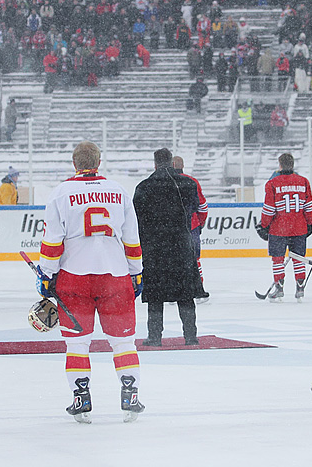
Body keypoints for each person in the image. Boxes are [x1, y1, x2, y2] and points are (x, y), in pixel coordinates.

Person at [38, 141, 145, 423]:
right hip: (115, 276)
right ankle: (130, 396)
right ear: (99, 162)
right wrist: (136, 272)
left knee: (77, 345)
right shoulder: (118, 191)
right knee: (123, 343)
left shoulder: (60, 193)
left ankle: (80, 398)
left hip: (74, 279)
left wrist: (46, 275)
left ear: (74, 163)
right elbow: (132, 239)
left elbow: (52, 242)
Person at [133, 148, 202, 346]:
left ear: (154, 164)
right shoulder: (188, 184)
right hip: (181, 245)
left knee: (156, 295)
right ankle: (191, 336)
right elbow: (195, 207)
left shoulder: (143, 187)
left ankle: (154, 336)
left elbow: (136, 219)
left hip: (154, 249)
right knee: (185, 294)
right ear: (172, 163)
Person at [256, 153, 312, 301]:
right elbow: (308, 206)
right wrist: (310, 223)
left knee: (277, 259)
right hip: (299, 226)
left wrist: (264, 225)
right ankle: (300, 287)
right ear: (293, 165)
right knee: (299, 258)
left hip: (278, 228)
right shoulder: (303, 182)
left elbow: (269, 208)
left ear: (280, 165)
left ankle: (279, 287)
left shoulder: (272, 183)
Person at [173, 156, 209, 301]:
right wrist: (199, 222)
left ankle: (175, 290)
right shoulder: (192, 181)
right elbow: (203, 207)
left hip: (173, 228)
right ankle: (198, 289)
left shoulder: (165, 182)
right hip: (191, 225)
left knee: (174, 259)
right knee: (195, 259)